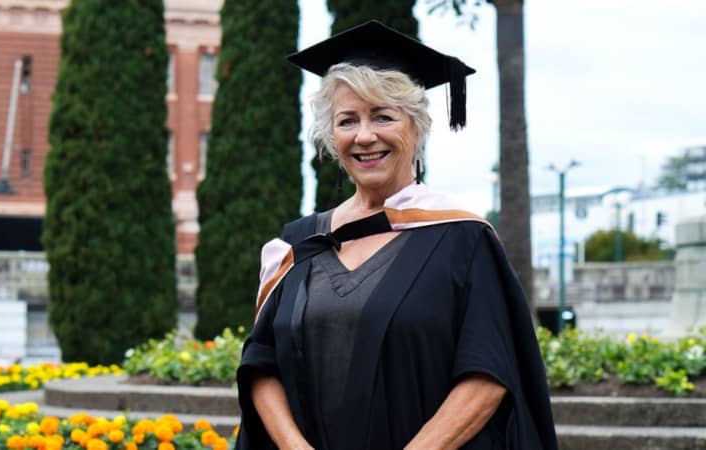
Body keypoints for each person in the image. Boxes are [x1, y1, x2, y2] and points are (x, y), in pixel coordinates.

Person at [235, 20, 557, 450]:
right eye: (347, 121)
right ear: (332, 137)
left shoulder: (460, 239)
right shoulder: (299, 247)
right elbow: (261, 365)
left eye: (382, 117)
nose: (364, 136)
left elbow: (488, 373)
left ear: (416, 128)